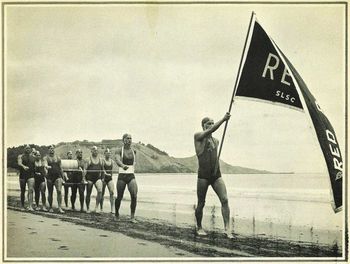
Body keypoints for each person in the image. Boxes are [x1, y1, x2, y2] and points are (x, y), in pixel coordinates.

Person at [194, 112, 232, 238]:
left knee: (225, 199)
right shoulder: (198, 136)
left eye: (212, 123)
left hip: (216, 174)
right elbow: (214, 129)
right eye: (208, 123)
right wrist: (223, 119)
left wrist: (222, 121)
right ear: (203, 126)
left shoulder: (216, 141)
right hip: (203, 175)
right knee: (201, 203)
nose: (211, 125)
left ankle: (227, 229)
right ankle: (199, 227)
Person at [115, 134, 138, 222]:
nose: (129, 140)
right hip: (122, 175)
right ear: (123, 140)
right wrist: (122, 165)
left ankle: (132, 217)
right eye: (127, 138)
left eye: (130, 138)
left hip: (131, 175)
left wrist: (133, 167)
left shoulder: (134, 151)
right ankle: (117, 213)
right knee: (119, 196)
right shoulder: (119, 150)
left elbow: (134, 162)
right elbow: (117, 159)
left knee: (134, 195)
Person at [45, 145, 65, 213]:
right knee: (50, 193)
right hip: (50, 177)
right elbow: (44, 164)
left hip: (58, 176)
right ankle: (50, 207)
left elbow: (61, 168)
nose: (52, 150)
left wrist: (63, 178)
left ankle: (59, 207)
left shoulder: (58, 158)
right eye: (50, 149)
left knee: (59, 191)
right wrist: (46, 166)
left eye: (53, 149)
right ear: (48, 150)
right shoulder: (46, 158)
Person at [84, 146, 103, 213]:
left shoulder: (100, 160)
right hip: (89, 178)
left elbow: (103, 170)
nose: (96, 151)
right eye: (94, 150)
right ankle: (88, 208)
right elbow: (85, 170)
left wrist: (102, 178)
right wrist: (84, 179)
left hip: (97, 178)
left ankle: (96, 207)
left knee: (100, 191)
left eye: (97, 150)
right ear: (91, 151)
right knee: (88, 193)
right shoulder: (88, 159)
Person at [17, 145, 35, 211]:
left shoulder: (33, 157)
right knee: (23, 191)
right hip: (23, 175)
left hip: (31, 175)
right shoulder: (20, 156)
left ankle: (30, 206)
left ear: (30, 149)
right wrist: (24, 166)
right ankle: (22, 206)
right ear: (24, 149)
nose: (28, 149)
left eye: (29, 148)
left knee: (31, 190)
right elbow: (19, 163)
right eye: (26, 148)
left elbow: (35, 166)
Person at [101, 148, 115, 213]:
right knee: (102, 193)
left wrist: (111, 178)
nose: (108, 154)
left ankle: (112, 209)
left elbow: (111, 171)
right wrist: (105, 174)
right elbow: (102, 169)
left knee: (112, 192)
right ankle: (101, 208)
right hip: (103, 178)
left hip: (109, 178)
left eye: (109, 153)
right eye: (107, 153)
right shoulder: (102, 161)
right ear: (104, 154)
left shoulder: (112, 161)